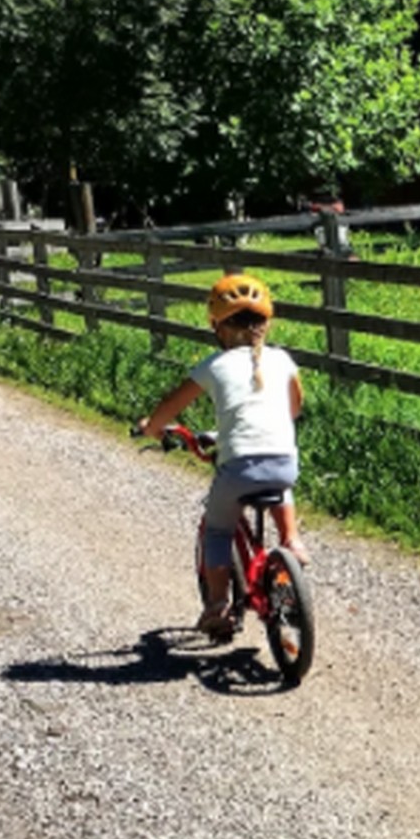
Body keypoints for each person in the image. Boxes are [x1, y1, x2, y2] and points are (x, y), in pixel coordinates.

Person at [133, 273, 307, 637]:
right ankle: (291, 539)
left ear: (218, 328)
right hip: (283, 459)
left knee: (217, 530)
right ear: (267, 323)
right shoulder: (283, 360)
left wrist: (152, 427)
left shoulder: (214, 365)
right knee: (279, 478)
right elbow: (295, 407)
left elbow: (171, 405)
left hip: (238, 466)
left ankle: (218, 606)